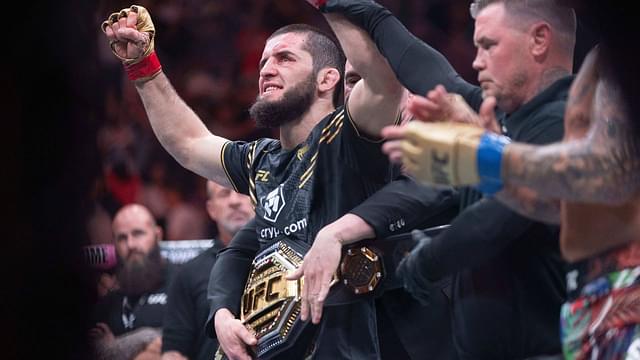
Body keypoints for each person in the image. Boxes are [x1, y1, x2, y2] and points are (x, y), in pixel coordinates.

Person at [102, 4, 405, 360]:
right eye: (263, 63)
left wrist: (330, 5)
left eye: (284, 58)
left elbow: (385, 82)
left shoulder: (350, 139)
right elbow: (188, 143)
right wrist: (143, 67)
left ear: (327, 78)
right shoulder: (262, 159)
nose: (267, 70)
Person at [302, 0, 576, 358]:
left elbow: (498, 219)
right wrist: (339, 5)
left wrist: (420, 263)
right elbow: (427, 71)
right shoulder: (500, 117)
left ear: (539, 40)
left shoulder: (569, 123)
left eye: (489, 46)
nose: (477, 61)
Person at [383, 4, 640, 357]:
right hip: (590, 308)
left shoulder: (609, 73)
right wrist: (490, 161)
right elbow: (550, 200)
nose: (477, 61)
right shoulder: (603, 62)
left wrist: (487, 157)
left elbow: (603, 170)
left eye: (489, 46)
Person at [161, 181, 254, 360]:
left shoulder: (284, 255)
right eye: (224, 194)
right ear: (211, 209)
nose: (234, 201)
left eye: (242, 191)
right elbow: (175, 351)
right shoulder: (189, 274)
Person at [91, 203, 174, 360]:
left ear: (158, 235)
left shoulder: (181, 282)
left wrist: (114, 348)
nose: (131, 245)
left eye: (138, 234)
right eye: (122, 238)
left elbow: (177, 343)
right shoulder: (108, 296)